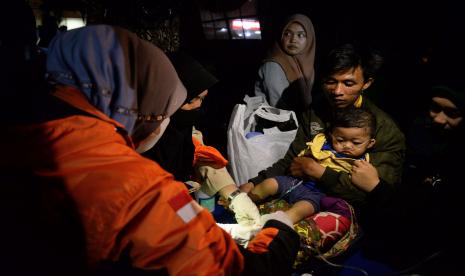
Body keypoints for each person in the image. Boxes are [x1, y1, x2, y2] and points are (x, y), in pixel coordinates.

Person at [2, 25, 300, 275]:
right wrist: (279, 231)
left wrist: (229, 196)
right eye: (163, 109)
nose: (163, 120)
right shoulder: (134, 184)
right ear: (136, 100)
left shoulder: (26, 129)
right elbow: (227, 269)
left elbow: (199, 153)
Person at [243, 42, 406, 212]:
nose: (337, 91)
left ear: (366, 83)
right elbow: (292, 159)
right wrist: (254, 182)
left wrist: (317, 171)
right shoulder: (317, 111)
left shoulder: (384, 130)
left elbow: (375, 194)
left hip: (349, 211)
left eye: (348, 84)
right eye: (330, 81)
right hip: (303, 191)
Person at [343, 82, 465, 274]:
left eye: (452, 113)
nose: (439, 119)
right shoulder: (421, 131)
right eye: (435, 108)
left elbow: (437, 216)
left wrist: (376, 186)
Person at [143, 51, 261, 226]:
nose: (198, 105)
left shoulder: (183, 127)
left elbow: (202, 155)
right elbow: (158, 193)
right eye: (191, 99)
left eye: (202, 99)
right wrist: (195, 222)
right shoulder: (144, 136)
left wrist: (235, 197)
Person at [248, 108, 376, 224]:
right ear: (331, 136)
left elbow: (351, 188)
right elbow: (296, 159)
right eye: (341, 140)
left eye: (356, 142)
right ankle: (244, 203)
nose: (347, 146)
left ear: (370, 143)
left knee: (304, 208)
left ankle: (278, 223)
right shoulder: (321, 143)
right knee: (270, 183)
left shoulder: (362, 164)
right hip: (295, 182)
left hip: (317, 195)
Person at [254, 13, 315, 116]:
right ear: (280, 36)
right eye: (287, 34)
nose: (293, 40)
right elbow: (279, 109)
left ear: (309, 39)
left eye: (300, 35)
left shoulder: (304, 63)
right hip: (277, 123)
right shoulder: (274, 66)